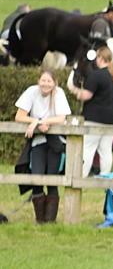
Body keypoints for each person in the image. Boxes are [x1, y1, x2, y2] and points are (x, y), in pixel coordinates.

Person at [14, 69, 71, 224]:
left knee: (52, 179)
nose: (46, 84)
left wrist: (41, 122)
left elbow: (61, 118)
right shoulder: (31, 92)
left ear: (54, 83)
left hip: (55, 142)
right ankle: (40, 221)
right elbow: (19, 116)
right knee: (37, 178)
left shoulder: (59, 93)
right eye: (43, 80)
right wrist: (37, 122)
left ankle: (50, 221)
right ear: (38, 80)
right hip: (38, 141)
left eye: (49, 81)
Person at [67, 45, 113, 177]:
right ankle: (105, 177)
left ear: (100, 58)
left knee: (88, 148)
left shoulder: (96, 75)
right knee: (105, 150)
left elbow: (86, 96)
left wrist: (74, 90)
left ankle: (81, 176)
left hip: (94, 119)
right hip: (112, 120)